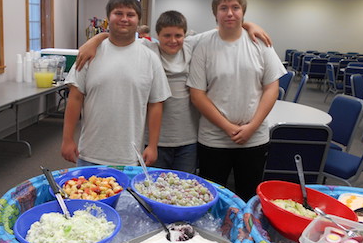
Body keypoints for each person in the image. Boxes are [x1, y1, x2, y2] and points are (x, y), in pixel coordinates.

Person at [75, 10, 272, 173]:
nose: (173, 40)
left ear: (185, 36)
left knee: (184, 186)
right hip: (154, 139)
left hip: (188, 138)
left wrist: (250, 25)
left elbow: (226, 27)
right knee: (152, 186)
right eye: (166, 36)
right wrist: (97, 38)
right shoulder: (147, 48)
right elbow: (118, 37)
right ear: (156, 37)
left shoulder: (191, 45)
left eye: (178, 35)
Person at [187, 0, 286, 201]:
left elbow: (272, 88)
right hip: (214, 139)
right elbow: (197, 94)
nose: (230, 13)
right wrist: (228, 127)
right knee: (211, 198)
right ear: (215, 14)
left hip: (254, 138)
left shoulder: (260, 43)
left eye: (235, 8)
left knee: (248, 196)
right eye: (223, 8)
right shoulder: (203, 44)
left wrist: (252, 127)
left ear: (243, 12)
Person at [61, 0, 171, 167]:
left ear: (138, 21)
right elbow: (75, 97)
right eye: (118, 13)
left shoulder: (150, 59)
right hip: (89, 153)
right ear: (108, 18)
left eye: (130, 14)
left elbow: (156, 104)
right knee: (84, 194)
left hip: (130, 157)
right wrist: (67, 139)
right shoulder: (88, 54)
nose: (124, 19)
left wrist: (153, 145)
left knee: (126, 195)